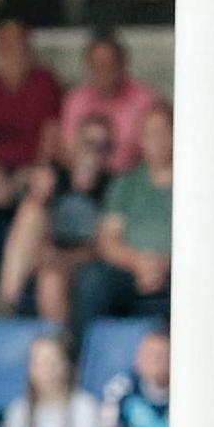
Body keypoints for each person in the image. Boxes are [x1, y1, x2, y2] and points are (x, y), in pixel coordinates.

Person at [0, 114, 116, 322]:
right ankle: (6, 303)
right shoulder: (54, 176)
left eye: (103, 146)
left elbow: (102, 247)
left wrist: (59, 258)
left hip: (84, 258)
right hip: (46, 251)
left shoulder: (111, 186)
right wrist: (39, 195)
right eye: (89, 143)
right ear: (75, 142)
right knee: (31, 211)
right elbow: (14, 202)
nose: (94, 151)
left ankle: (57, 346)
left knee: (51, 275)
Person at [73, 102, 174, 331]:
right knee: (93, 281)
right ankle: (84, 356)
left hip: (177, 271)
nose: (157, 140)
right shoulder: (126, 184)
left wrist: (164, 264)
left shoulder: (194, 185)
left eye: (163, 132)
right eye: (149, 134)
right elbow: (107, 241)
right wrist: (138, 263)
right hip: (130, 270)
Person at [0, 19, 62, 216]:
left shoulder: (45, 82)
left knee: (43, 183)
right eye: (6, 47)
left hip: (32, 167)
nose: (13, 53)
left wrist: (29, 173)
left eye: (19, 46)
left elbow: (51, 136)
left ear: (29, 50)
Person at [59, 34, 158, 176]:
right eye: (97, 65)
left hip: (132, 179)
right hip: (85, 182)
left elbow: (157, 149)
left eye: (109, 63)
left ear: (123, 63)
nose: (104, 70)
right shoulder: (76, 100)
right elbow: (66, 150)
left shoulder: (145, 100)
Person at [101, 327, 171, 427]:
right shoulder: (121, 388)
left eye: (161, 356)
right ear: (137, 358)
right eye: (149, 355)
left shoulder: (188, 394)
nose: (155, 361)